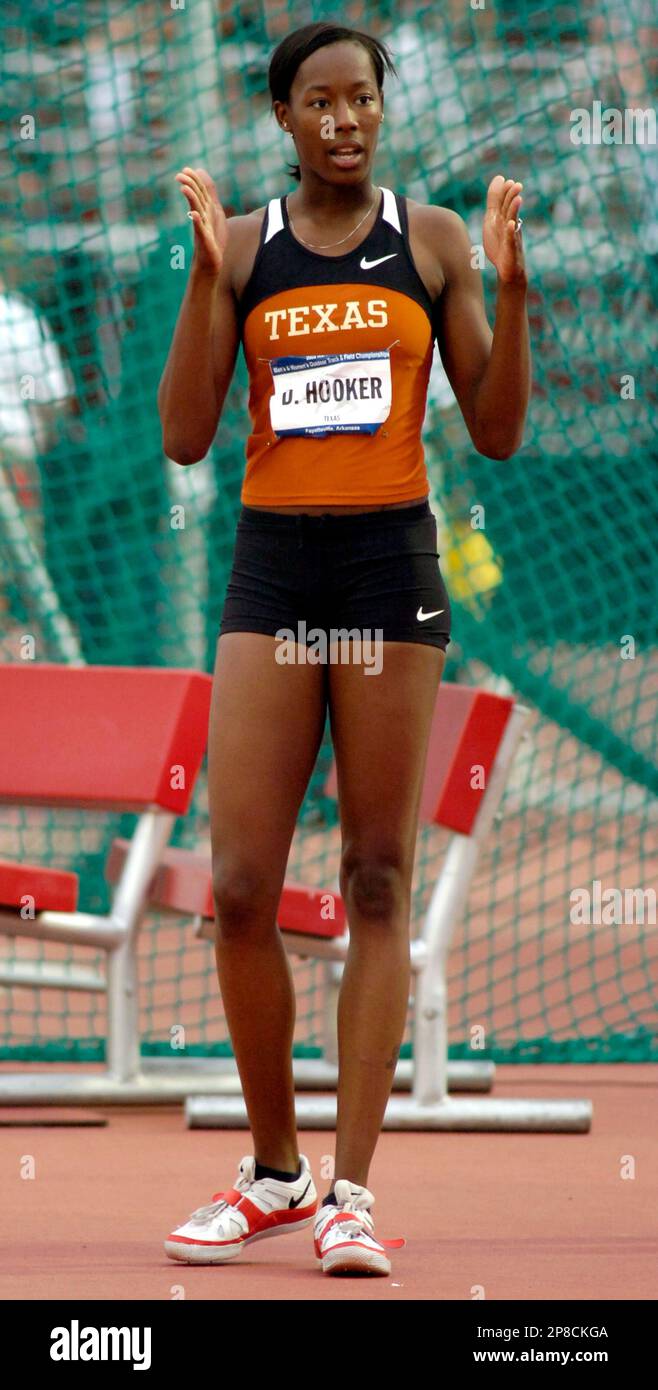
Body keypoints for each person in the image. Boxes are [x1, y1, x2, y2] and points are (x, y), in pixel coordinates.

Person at [157, 20, 530, 1277]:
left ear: (382, 107)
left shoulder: (429, 243)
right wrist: (208, 282)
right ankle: (273, 1170)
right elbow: (185, 437)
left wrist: (510, 287)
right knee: (244, 888)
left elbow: (498, 430)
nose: (343, 120)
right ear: (282, 117)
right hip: (275, 570)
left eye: (361, 98)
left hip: (386, 572)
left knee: (376, 874)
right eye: (317, 102)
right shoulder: (248, 245)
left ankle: (352, 1194)